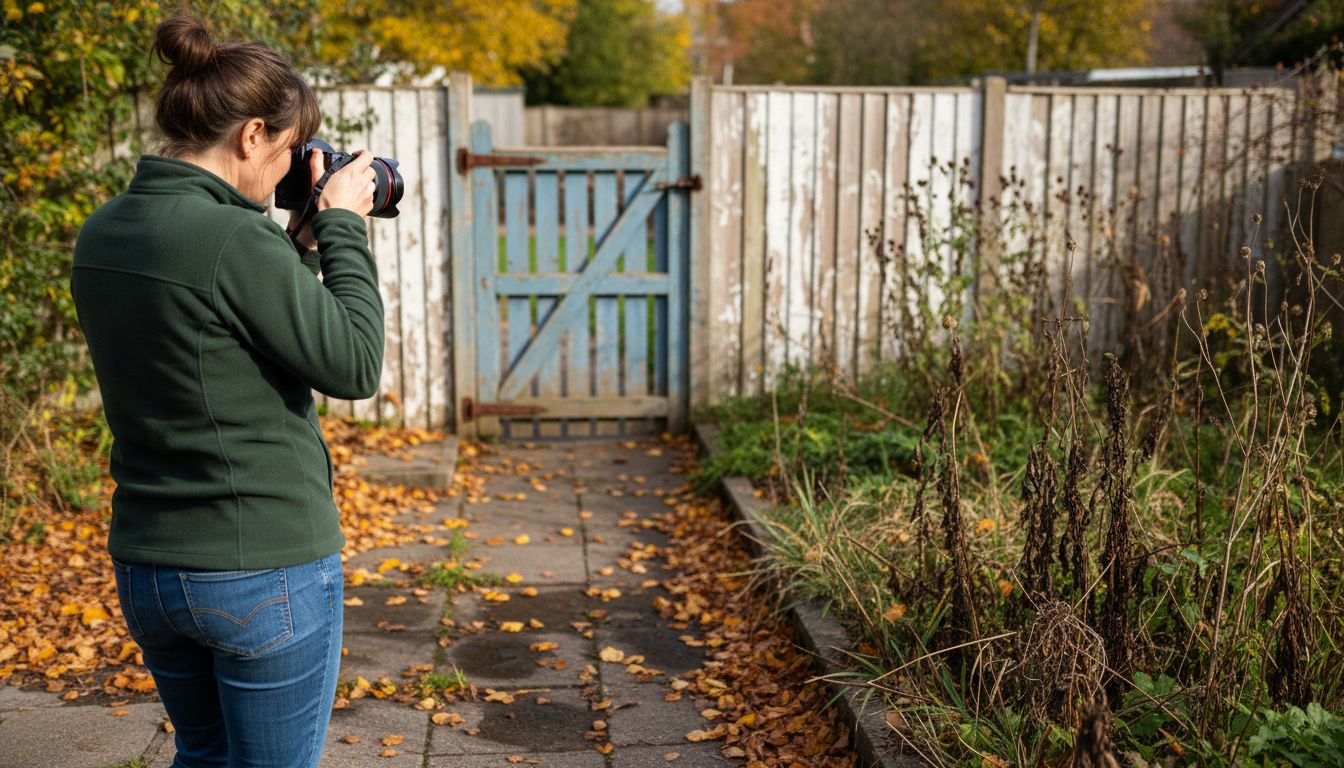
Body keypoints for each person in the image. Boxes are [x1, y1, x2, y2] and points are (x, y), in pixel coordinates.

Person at [70, 12, 384, 768]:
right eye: (282, 153)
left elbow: (215, 335)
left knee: (204, 758)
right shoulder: (232, 239)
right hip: (260, 568)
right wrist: (341, 226)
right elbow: (353, 364)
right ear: (250, 135)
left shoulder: (105, 230)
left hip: (150, 568)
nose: (282, 175)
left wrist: (296, 251)